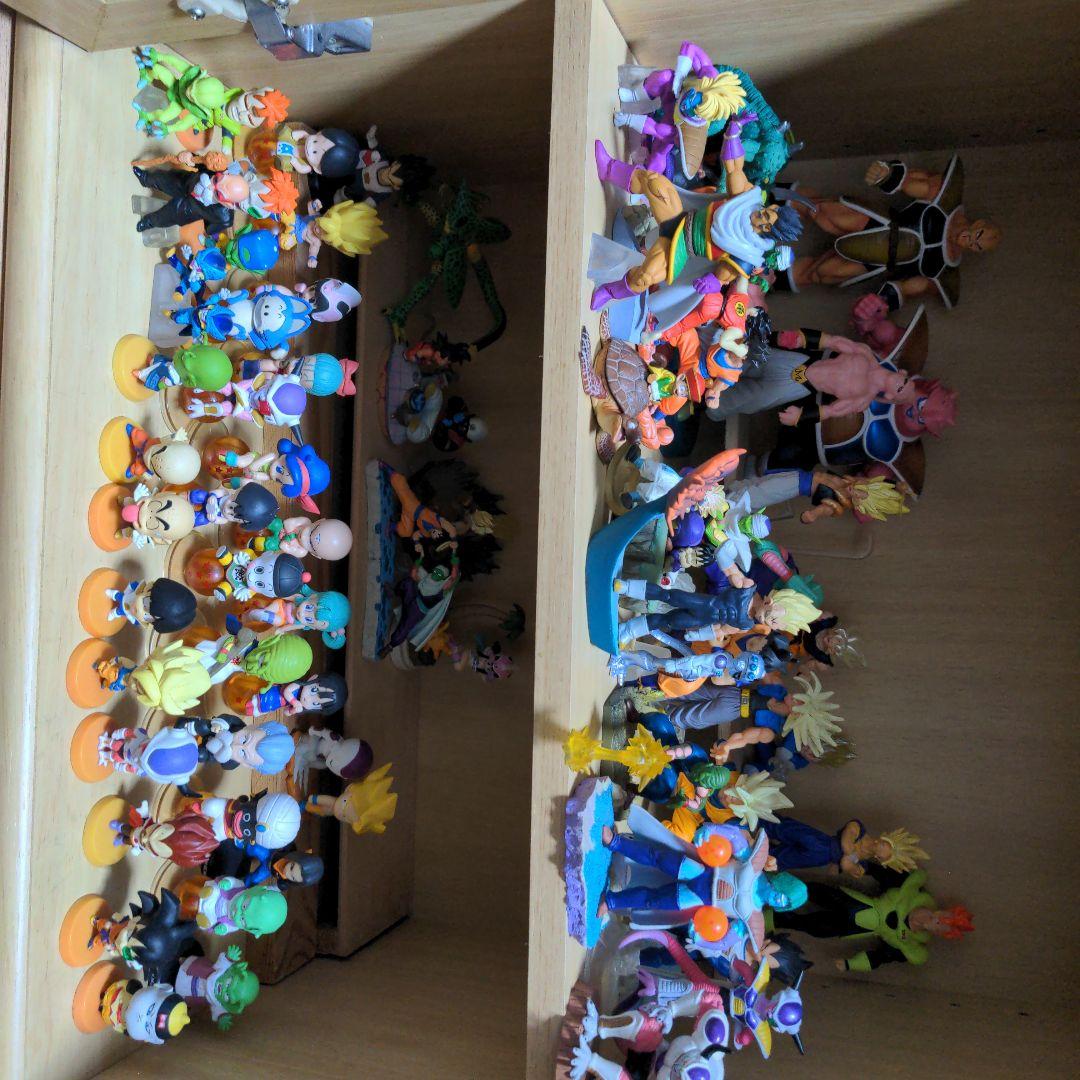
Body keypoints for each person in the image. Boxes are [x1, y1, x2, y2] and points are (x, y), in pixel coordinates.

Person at [787, 155, 1001, 309]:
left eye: (976, 246)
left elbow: (915, 287)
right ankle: (775, 200)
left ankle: (772, 275)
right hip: (882, 223)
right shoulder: (945, 201)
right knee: (822, 210)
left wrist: (883, 302)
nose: (970, 241)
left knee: (822, 273)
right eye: (977, 235)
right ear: (978, 223)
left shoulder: (944, 267)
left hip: (878, 261)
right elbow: (918, 184)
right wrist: (889, 175)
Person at [772, 865, 973, 972]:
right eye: (943, 919)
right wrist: (860, 866)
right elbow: (884, 874)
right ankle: (776, 884)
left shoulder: (908, 944)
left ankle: (775, 919)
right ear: (942, 912)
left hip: (850, 928)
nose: (937, 923)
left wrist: (852, 964)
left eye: (941, 928)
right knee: (816, 892)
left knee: (814, 927)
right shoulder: (909, 892)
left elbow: (881, 956)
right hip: (852, 901)